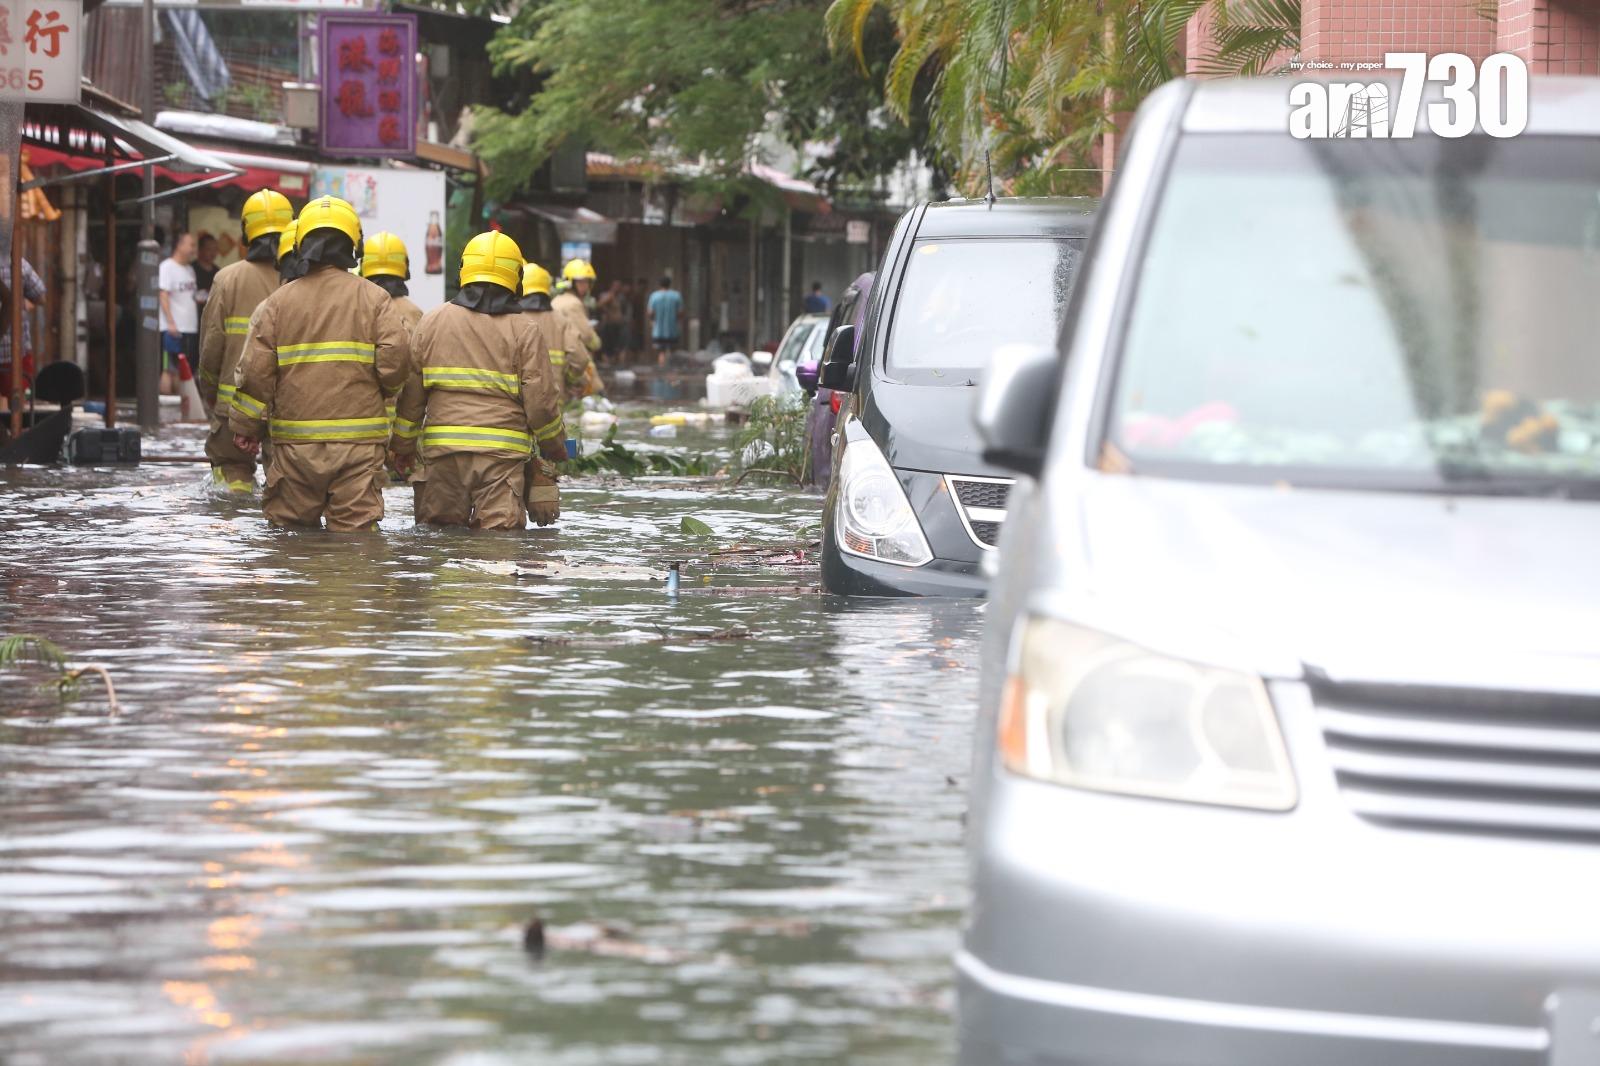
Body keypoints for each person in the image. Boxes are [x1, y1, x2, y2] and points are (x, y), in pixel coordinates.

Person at [227, 196, 412, 532]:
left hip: (294, 450)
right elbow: (395, 363)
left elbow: (256, 372)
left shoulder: (277, 303)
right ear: (354, 244)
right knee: (356, 543)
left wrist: (246, 426)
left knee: (289, 539)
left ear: (301, 245)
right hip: (358, 449)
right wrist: (384, 390)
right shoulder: (375, 299)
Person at [391, 232, 567, 530]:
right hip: (501, 463)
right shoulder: (525, 331)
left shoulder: (432, 322)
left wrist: (403, 446)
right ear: (516, 277)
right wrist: (555, 448)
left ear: (464, 270)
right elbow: (540, 405)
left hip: (443, 458)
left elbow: (411, 399)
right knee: (497, 546)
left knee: (439, 541)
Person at [197, 189, 293, 492]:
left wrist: (210, 393)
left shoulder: (227, 279)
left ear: (246, 231)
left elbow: (211, 347)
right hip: (289, 409)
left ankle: (235, 515)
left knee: (231, 474)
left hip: (233, 404)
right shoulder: (300, 282)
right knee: (287, 487)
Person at [0, 258, 46, 415]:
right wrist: (23, 303)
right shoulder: (18, 263)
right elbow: (41, 297)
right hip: (15, 349)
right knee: (17, 407)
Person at [158, 233, 200, 394]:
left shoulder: (190, 270)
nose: (193, 250)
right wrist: (170, 322)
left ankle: (180, 398)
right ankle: (167, 401)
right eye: (191, 245)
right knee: (170, 368)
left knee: (184, 368)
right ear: (179, 245)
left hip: (189, 326)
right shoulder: (167, 267)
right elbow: (163, 294)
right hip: (173, 327)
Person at [553, 259, 601, 359]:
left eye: (587, 282)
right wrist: (597, 342)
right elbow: (587, 336)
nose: (585, 286)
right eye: (581, 282)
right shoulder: (573, 303)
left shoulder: (556, 300)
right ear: (571, 283)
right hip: (570, 358)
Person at [647, 276, 683, 366]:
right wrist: (677, 321)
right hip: (672, 329)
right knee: (673, 351)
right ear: (670, 284)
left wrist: (652, 321)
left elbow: (650, 312)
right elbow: (680, 312)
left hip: (658, 330)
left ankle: (662, 369)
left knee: (661, 352)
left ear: (659, 284)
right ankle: (673, 370)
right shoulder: (676, 296)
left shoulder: (654, 296)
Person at [193, 234, 221, 310]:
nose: (213, 253)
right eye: (209, 249)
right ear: (200, 250)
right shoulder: (191, 270)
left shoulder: (218, 272)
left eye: (215, 249)